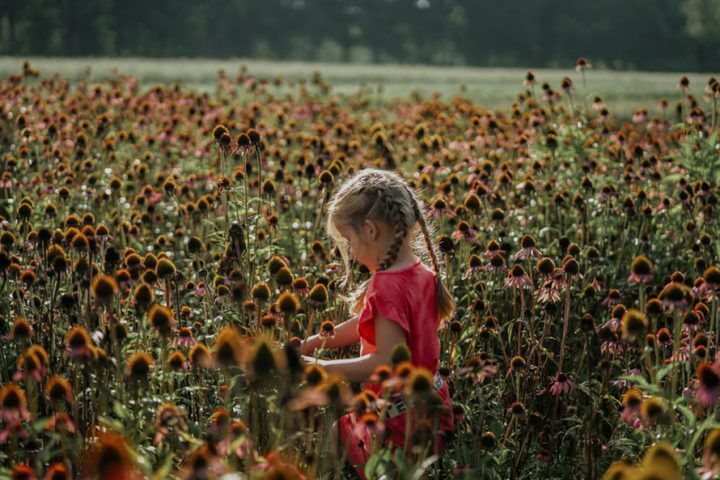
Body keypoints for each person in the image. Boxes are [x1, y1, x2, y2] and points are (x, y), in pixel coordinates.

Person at [299, 168, 455, 477]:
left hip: (396, 422)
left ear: (370, 231)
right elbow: (370, 322)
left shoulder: (386, 285)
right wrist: (317, 342)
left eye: (349, 240)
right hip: (433, 406)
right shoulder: (421, 273)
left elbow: (386, 362)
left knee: (335, 441)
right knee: (338, 432)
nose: (352, 253)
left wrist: (320, 368)